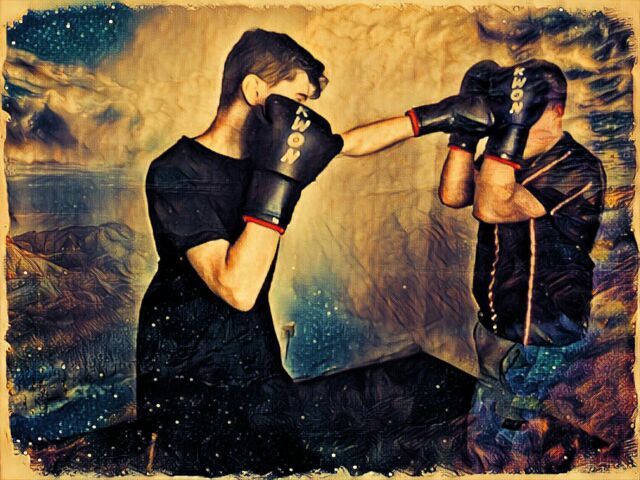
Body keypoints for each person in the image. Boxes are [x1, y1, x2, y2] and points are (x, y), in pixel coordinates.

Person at [135, 28, 495, 476]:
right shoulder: (176, 171)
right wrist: (278, 181)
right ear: (254, 90)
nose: (303, 116)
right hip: (187, 376)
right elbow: (237, 287)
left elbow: (350, 143)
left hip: (251, 357)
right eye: (298, 100)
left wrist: (441, 115)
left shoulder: (267, 155)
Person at [435, 59, 606, 472]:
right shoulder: (505, 157)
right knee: (487, 423)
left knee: (518, 439)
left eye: (528, 111)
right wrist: (465, 133)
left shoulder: (578, 167)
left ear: (557, 111)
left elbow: (493, 207)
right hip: (497, 321)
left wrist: (507, 132)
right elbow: (454, 195)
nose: (517, 121)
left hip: (543, 332)